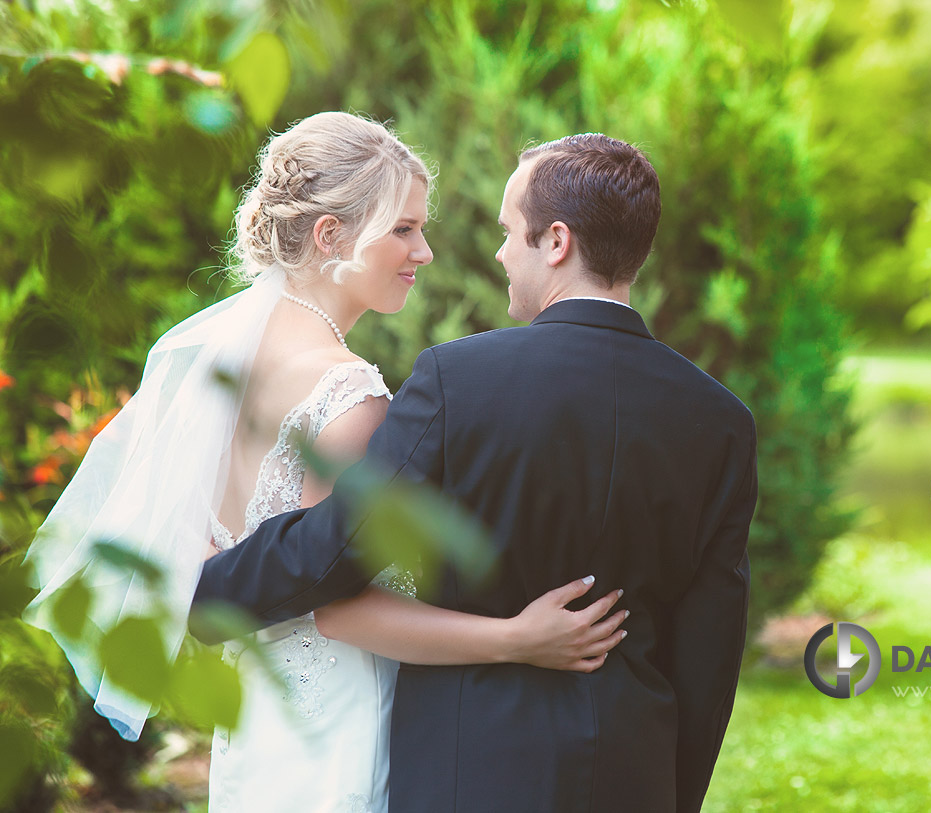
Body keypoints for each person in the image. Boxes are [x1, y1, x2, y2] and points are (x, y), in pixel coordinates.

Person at [23, 113, 627, 813]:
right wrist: (517, 639)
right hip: (337, 729)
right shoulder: (346, 392)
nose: (423, 251)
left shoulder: (227, 364)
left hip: (258, 728)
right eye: (403, 228)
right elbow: (341, 610)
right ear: (330, 234)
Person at [194, 133, 758, 813]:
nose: (498, 254)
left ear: (556, 242)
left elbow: (339, 545)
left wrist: (204, 592)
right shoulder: (721, 420)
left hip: (471, 771)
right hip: (632, 772)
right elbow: (710, 651)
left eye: (507, 232)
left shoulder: (457, 379)